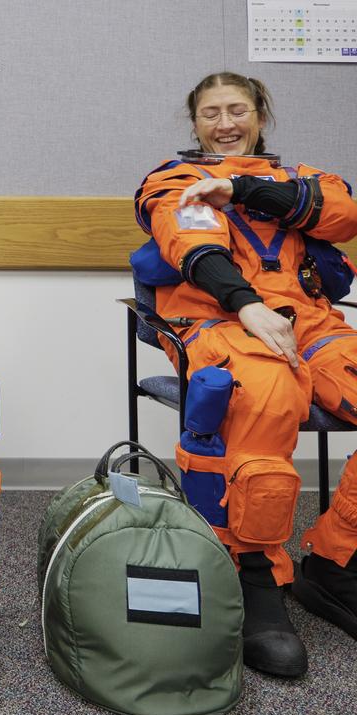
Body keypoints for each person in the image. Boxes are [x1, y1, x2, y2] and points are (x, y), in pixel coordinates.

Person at [134, 72, 357, 678]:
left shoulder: (308, 179)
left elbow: (341, 216)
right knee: (268, 395)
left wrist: (244, 190)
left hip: (310, 320)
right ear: (195, 122)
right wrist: (247, 305)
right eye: (210, 114)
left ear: (261, 115)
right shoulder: (174, 179)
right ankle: (256, 574)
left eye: (237, 110)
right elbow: (191, 244)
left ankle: (335, 561)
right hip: (217, 320)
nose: (225, 124)